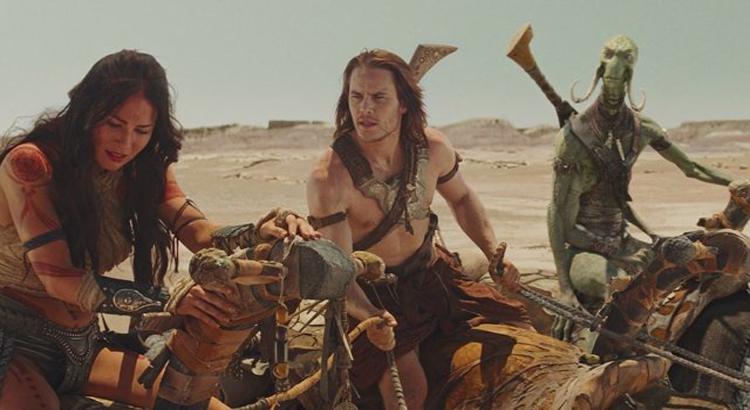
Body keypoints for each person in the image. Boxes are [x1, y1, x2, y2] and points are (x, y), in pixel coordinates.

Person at [0, 49, 316, 409]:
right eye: (114, 125)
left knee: (201, 405)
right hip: (10, 343)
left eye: (141, 131)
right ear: (87, 112)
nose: (126, 143)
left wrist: (260, 232)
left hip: (82, 344)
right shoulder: (31, 165)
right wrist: (170, 300)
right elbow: (59, 279)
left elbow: (196, 230)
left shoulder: (142, 167)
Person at [306, 48, 531, 409]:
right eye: (356, 96)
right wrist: (371, 317)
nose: (365, 108)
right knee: (409, 395)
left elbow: (462, 199)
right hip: (373, 296)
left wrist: (493, 253)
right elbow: (340, 272)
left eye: (379, 97)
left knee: (521, 335)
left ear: (403, 104)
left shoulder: (433, 147)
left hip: (434, 277)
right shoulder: (329, 178)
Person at [548, 35, 734, 341]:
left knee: (690, 278)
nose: (616, 64)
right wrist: (564, 290)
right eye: (610, 55)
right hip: (584, 252)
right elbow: (556, 213)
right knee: (620, 293)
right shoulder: (572, 140)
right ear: (601, 65)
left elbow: (692, 167)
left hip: (626, 244)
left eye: (625, 57)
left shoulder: (642, 129)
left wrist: (733, 182)